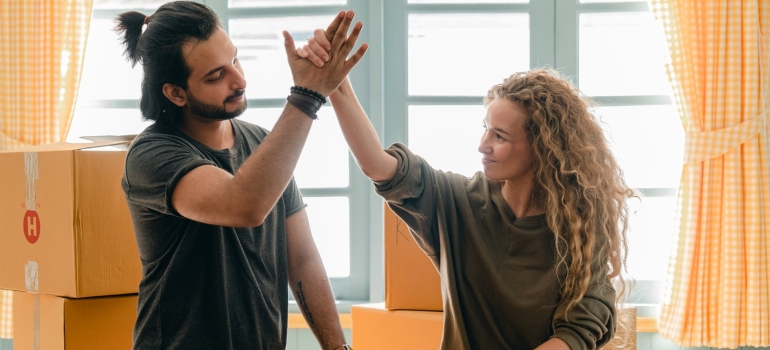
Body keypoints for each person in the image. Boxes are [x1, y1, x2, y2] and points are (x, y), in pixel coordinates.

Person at [299, 34, 633, 349]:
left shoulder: (578, 224)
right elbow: (377, 164)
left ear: (543, 148)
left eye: (499, 137)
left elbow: (581, 326)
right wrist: (335, 83)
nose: (482, 146)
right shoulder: (456, 202)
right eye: (486, 129)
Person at [114, 2, 365, 349]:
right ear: (175, 93)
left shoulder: (263, 144)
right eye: (216, 76)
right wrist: (307, 96)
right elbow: (243, 206)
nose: (240, 79)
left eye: (235, 59)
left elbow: (303, 258)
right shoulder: (152, 155)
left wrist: (339, 348)